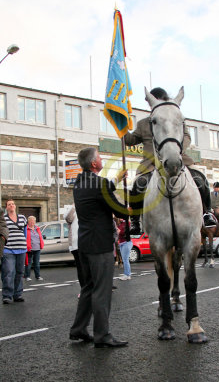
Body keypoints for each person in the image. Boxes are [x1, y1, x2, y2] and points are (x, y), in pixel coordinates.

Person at [124, 87, 214, 234]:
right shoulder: (143, 123)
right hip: (151, 165)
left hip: (177, 158)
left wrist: (176, 150)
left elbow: (186, 137)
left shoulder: (176, 116)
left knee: (201, 179)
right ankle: (135, 222)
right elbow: (130, 140)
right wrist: (121, 127)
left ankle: (207, 213)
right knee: (138, 186)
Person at [69, 147, 130, 348]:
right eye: (100, 157)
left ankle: (78, 329)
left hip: (84, 244)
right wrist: (132, 207)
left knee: (88, 288)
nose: (102, 159)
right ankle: (102, 335)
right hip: (100, 245)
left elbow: (99, 193)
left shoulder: (79, 184)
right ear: (94, 163)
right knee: (102, 291)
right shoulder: (100, 184)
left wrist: (116, 181)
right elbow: (120, 211)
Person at [1, 199, 27, 304]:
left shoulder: (22, 218)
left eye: (13, 204)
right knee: (9, 272)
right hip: (8, 249)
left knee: (20, 272)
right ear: (6, 207)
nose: (11, 206)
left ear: (15, 206)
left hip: (21, 248)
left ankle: (18, 294)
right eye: (9, 204)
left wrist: (26, 244)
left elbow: (25, 232)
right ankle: (7, 296)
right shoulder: (3, 218)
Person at [64, 204, 85, 294]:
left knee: (90, 268)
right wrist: (74, 205)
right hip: (76, 244)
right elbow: (68, 218)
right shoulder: (72, 209)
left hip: (87, 243)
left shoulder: (86, 207)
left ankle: (91, 289)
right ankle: (84, 290)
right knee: (81, 268)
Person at [24, 216, 44, 281]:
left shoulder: (37, 228)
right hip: (29, 249)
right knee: (28, 263)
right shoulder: (25, 229)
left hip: (37, 248)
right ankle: (27, 276)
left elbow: (40, 237)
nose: (32, 222)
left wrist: (41, 244)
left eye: (33, 221)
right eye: (31, 221)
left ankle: (37, 276)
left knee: (37, 263)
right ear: (28, 222)